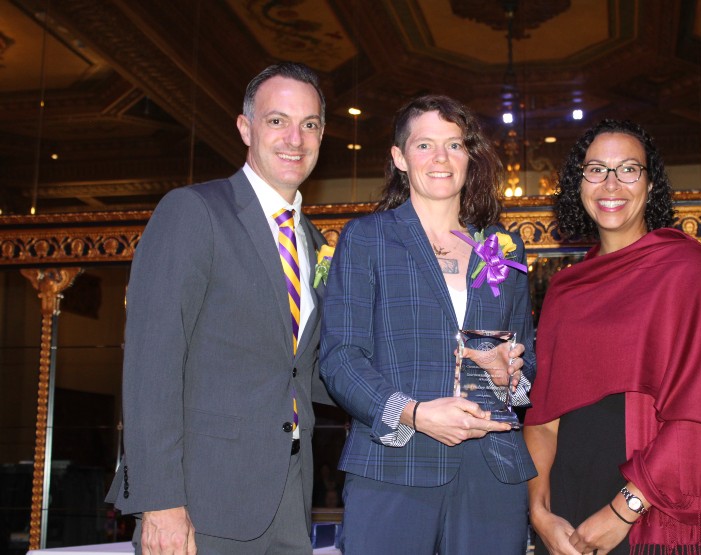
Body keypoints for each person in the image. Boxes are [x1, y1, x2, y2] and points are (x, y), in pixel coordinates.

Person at [105, 62, 334, 555]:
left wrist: (420, 394)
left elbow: (311, 370)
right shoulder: (193, 212)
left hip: (291, 503)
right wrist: (160, 502)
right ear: (245, 127)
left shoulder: (314, 245)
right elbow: (152, 365)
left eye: (309, 124)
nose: (295, 138)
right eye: (277, 121)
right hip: (200, 507)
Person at [523, 119, 701, 555]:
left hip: (661, 509)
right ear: (578, 185)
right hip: (571, 513)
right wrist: (539, 513)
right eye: (596, 169)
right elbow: (543, 422)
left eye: (629, 169)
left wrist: (623, 510)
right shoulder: (564, 290)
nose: (611, 183)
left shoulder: (685, 271)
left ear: (650, 185)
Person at [320, 95, 536, 555]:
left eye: (454, 145)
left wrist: (510, 375)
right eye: (424, 145)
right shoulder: (367, 238)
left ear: (469, 156)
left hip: (492, 468)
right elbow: (341, 359)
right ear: (400, 157)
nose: (441, 158)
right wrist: (415, 414)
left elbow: (526, 356)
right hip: (393, 466)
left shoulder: (503, 245)